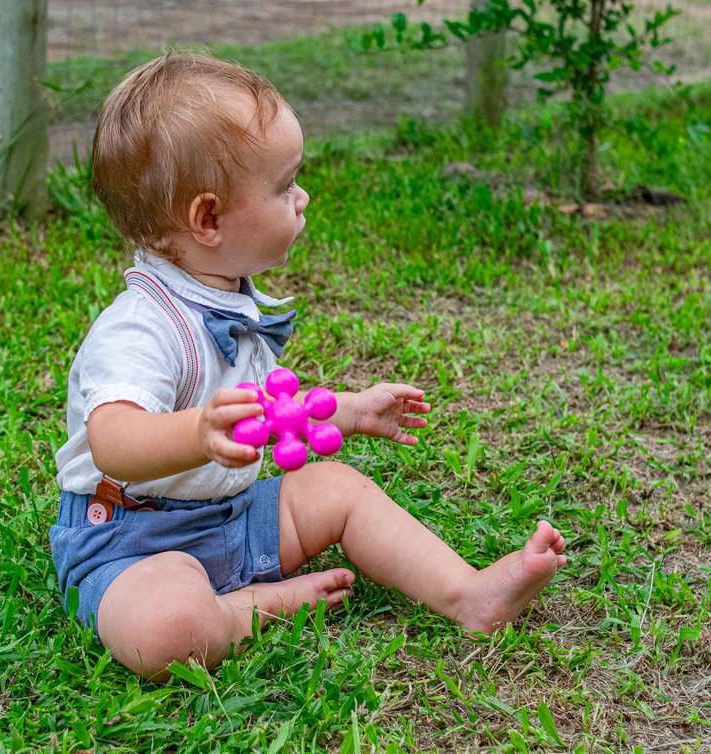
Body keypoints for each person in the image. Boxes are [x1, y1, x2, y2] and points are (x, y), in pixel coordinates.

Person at [51, 51, 567, 680]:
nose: (303, 198)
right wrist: (197, 432)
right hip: (133, 544)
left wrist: (349, 411)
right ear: (208, 218)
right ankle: (250, 609)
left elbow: (270, 416)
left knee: (340, 489)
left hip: (232, 516)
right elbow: (113, 440)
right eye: (284, 185)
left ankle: (469, 594)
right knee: (164, 632)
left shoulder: (229, 299)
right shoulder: (140, 326)